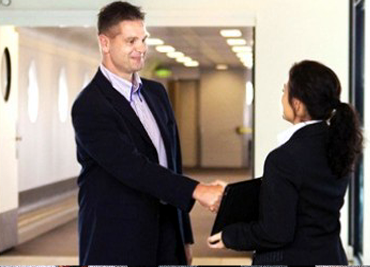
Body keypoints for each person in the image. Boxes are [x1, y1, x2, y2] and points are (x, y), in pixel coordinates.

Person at [71, 1, 224, 265]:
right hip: (118, 239)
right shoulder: (90, 106)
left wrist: (184, 236)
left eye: (143, 39)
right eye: (131, 41)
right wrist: (197, 190)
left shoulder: (156, 94)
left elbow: (172, 164)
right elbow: (133, 167)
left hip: (166, 233)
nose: (141, 48)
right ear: (104, 43)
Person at [208, 60, 363, 265]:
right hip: (331, 256)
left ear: (297, 104)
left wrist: (231, 236)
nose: (282, 99)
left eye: (284, 91)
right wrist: (232, 194)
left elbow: (275, 232)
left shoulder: (284, 158)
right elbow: (304, 197)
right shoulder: (339, 145)